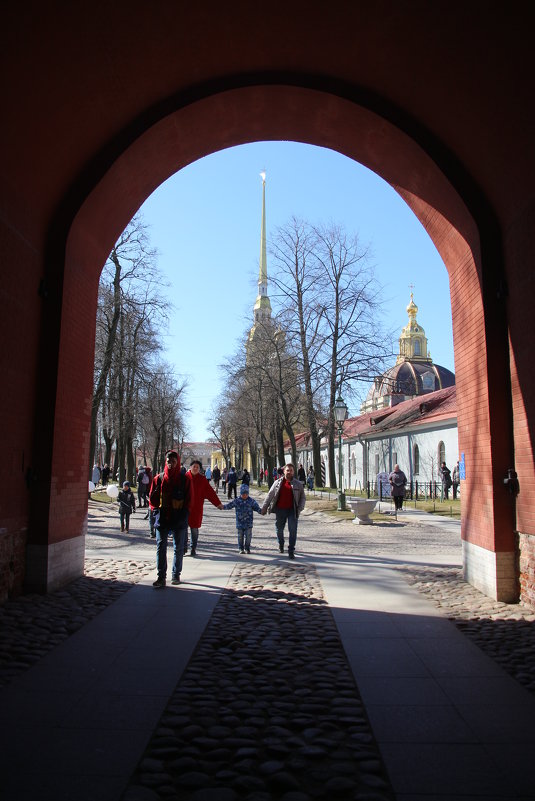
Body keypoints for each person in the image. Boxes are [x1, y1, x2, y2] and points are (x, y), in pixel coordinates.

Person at [148, 450, 194, 588]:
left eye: (173, 461)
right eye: (168, 461)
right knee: (161, 546)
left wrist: (184, 515)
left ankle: (176, 574)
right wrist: (155, 511)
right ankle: (161, 576)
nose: (170, 464)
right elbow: (152, 498)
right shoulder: (159, 479)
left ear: (178, 462)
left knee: (178, 547)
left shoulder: (184, 480)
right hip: (162, 517)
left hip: (178, 518)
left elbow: (189, 500)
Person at [261, 463, 306, 559]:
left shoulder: (298, 484)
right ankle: (281, 543)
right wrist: (264, 507)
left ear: (293, 472)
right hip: (280, 510)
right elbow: (270, 495)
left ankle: (291, 550)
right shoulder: (277, 483)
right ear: (284, 471)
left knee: (293, 530)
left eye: (291, 470)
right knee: (279, 529)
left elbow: (303, 497)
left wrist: (300, 508)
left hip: (292, 510)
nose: (289, 472)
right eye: (287, 470)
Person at [186, 460, 223, 555]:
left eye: (197, 467)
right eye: (194, 466)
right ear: (190, 467)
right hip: (184, 508)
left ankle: (193, 548)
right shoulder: (184, 478)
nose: (195, 468)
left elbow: (210, 493)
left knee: (194, 530)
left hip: (196, 509)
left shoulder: (202, 480)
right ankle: (183, 547)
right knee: (183, 529)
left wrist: (218, 504)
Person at [223, 484, 262, 553]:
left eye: (246, 493)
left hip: (248, 523)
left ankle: (247, 548)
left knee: (248, 536)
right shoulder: (237, 501)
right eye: (243, 493)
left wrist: (261, 511)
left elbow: (257, 508)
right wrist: (222, 507)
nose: (245, 495)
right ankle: (241, 548)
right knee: (240, 536)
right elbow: (230, 505)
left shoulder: (251, 501)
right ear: (241, 493)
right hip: (240, 522)